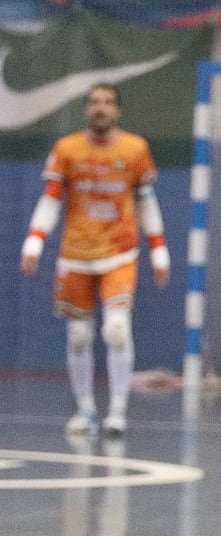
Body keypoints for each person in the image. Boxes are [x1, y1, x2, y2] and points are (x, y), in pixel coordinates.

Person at [20, 82, 171, 436]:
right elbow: (52, 198)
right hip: (75, 254)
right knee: (78, 336)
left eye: (108, 102)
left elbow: (146, 199)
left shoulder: (135, 150)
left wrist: (159, 248)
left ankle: (117, 411)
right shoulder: (67, 149)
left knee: (116, 330)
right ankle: (85, 410)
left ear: (117, 110)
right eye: (95, 102)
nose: (101, 107)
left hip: (119, 252)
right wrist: (34, 241)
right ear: (87, 109)